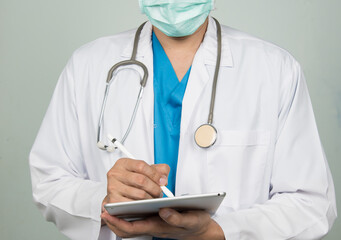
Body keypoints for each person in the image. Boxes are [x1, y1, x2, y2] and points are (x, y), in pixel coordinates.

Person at [29, 0, 337, 239]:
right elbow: (49, 181)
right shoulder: (88, 65)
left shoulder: (274, 69)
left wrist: (217, 232)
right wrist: (104, 199)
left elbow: (312, 205)